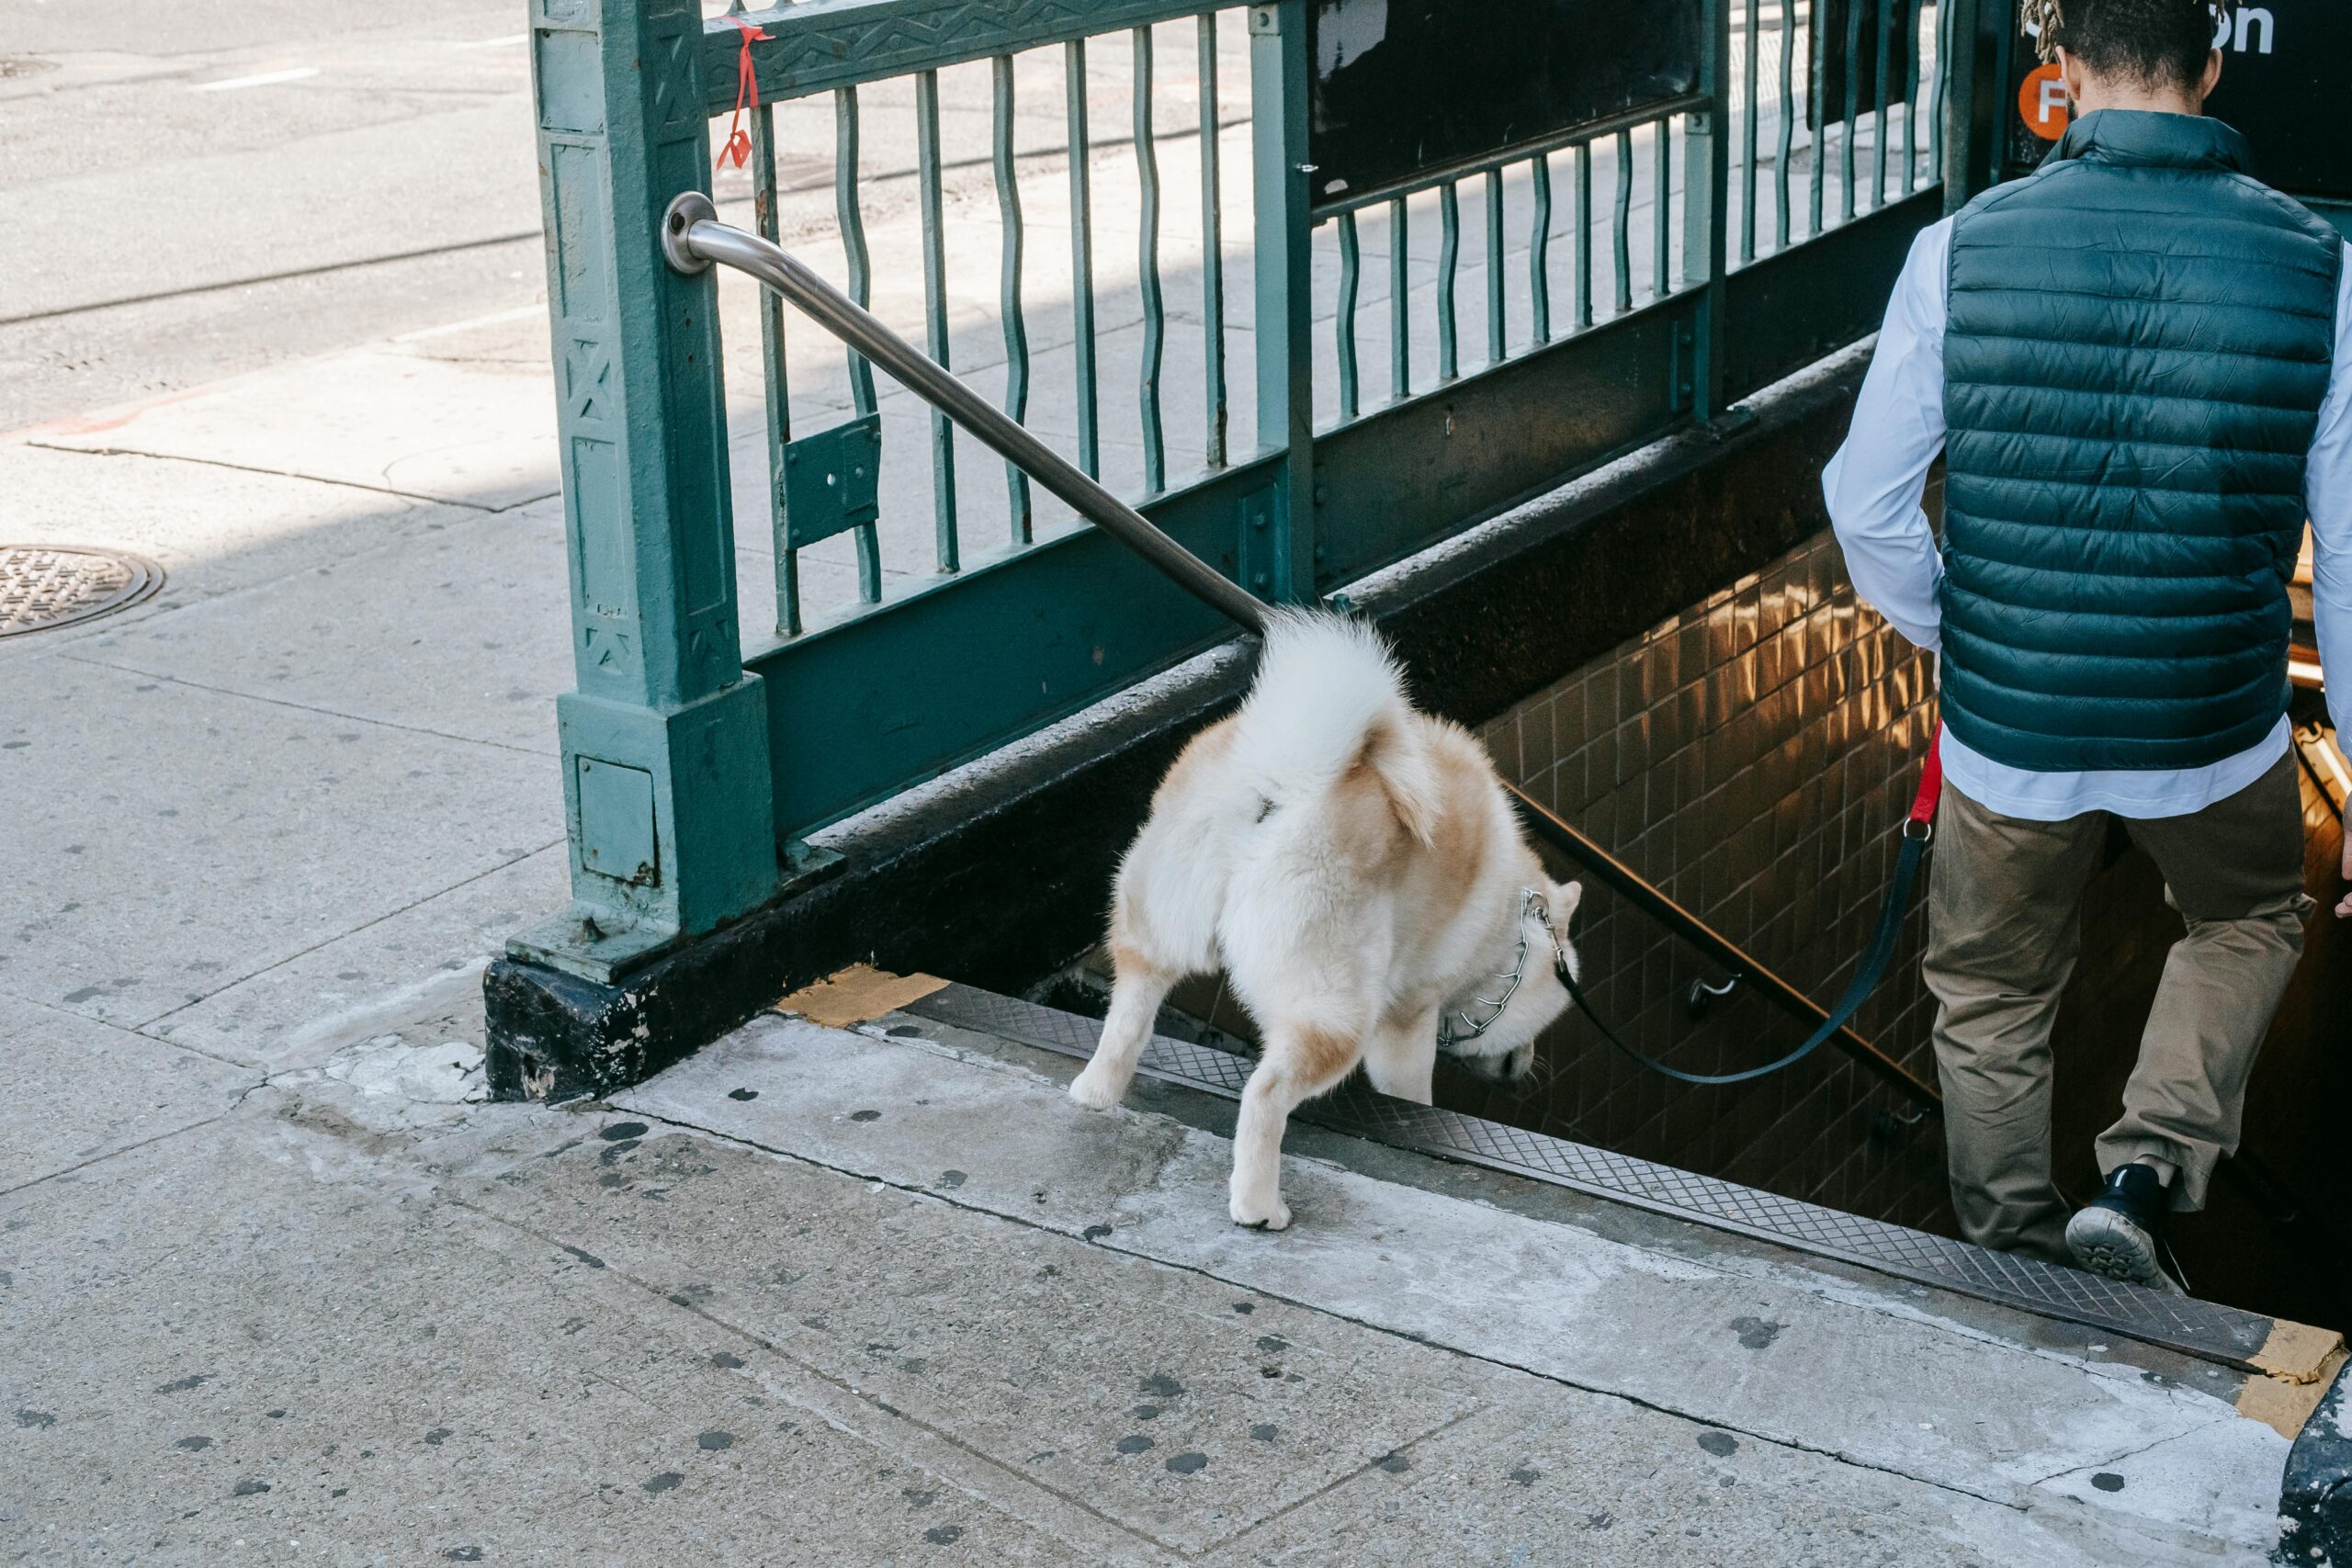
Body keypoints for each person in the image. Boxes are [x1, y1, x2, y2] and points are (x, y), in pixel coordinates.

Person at [1823, 0, 2352, 1291]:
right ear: (2212, 66)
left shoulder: (1959, 249)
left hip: (2012, 743)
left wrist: (1964, 630)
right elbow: (2347, 555)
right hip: (2212, 732)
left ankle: (2011, 1259)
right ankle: (2143, 1171)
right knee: (2246, 917)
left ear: (2061, 70)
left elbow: (1864, 499)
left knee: (1993, 999)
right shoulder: (2323, 266)